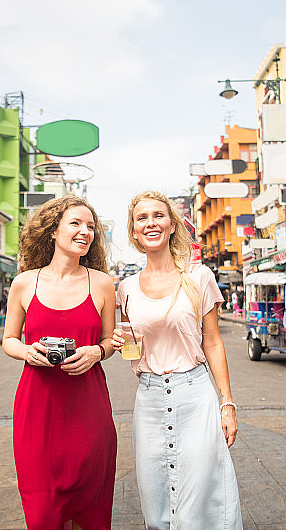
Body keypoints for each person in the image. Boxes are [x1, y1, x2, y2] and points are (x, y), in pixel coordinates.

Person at [112, 191, 243, 529]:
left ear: (172, 224)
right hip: (149, 398)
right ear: (134, 231)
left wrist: (227, 403)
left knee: (201, 491)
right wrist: (119, 341)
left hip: (195, 394)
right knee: (154, 494)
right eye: (142, 218)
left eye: (159, 215)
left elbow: (212, 341)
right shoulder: (125, 288)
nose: (151, 222)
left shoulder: (199, 277)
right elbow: (131, 348)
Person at [1, 196, 117, 530]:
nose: (86, 232)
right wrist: (27, 352)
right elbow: (8, 340)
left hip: (89, 411)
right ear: (53, 230)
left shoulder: (103, 283)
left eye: (91, 227)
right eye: (76, 223)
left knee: (90, 508)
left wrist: (97, 352)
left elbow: (110, 341)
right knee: (41, 512)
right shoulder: (25, 282)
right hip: (37, 410)